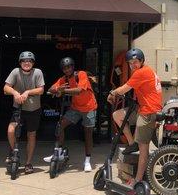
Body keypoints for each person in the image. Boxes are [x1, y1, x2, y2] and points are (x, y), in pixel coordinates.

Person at [108, 48, 162, 186]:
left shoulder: (141, 72)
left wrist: (112, 93)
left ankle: (137, 180)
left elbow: (124, 88)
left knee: (144, 149)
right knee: (117, 114)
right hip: (142, 108)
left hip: (149, 112)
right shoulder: (146, 70)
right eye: (130, 63)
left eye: (135, 62)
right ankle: (132, 144)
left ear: (142, 61)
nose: (133, 65)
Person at [45, 57, 97, 172]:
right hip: (76, 108)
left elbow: (79, 90)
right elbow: (50, 89)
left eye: (68, 67)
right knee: (61, 125)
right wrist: (58, 88)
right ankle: (58, 152)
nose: (67, 70)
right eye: (64, 68)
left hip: (89, 107)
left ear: (73, 67)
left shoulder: (81, 74)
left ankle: (87, 160)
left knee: (88, 133)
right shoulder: (64, 79)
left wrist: (62, 91)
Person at [3, 51, 45, 174]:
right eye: (24, 61)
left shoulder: (37, 72)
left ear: (33, 63)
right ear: (20, 62)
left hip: (33, 109)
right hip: (19, 108)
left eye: (29, 61)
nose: (27, 63)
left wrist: (27, 92)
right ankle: (13, 152)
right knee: (11, 130)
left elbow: (41, 90)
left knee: (31, 135)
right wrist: (15, 93)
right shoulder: (16, 71)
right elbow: (6, 87)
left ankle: (28, 163)